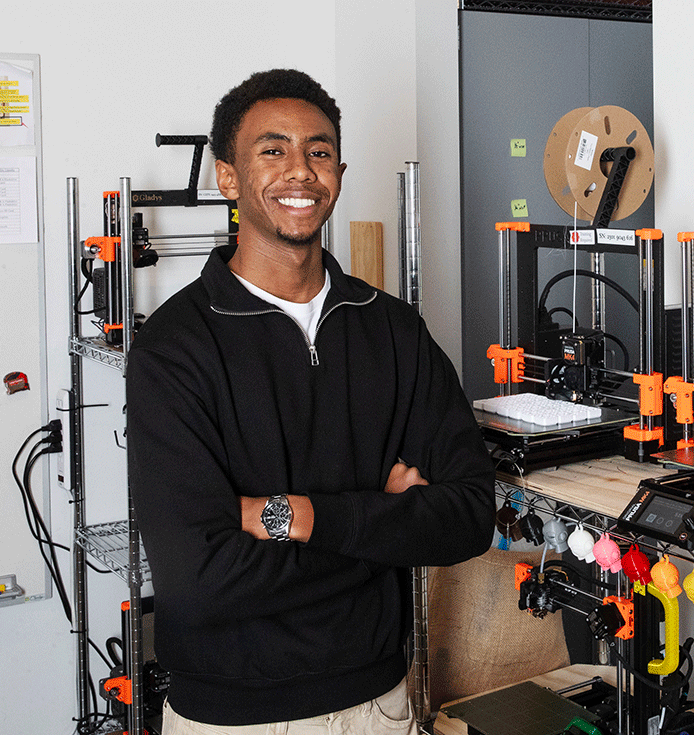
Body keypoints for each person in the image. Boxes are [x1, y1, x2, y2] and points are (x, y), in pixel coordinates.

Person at [126, 68, 495, 734]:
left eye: (319, 151)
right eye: (273, 150)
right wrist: (384, 523)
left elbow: (468, 516)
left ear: (340, 170)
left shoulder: (393, 330)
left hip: (379, 705)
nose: (301, 171)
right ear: (228, 177)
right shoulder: (175, 349)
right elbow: (198, 580)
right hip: (231, 719)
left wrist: (291, 515)